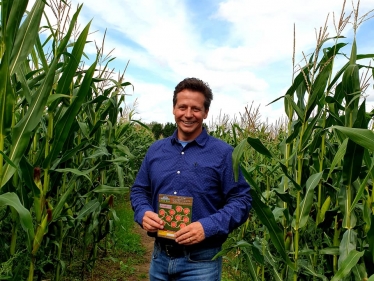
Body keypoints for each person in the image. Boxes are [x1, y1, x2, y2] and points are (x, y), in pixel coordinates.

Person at [130, 77, 252, 280]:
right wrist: (143, 212)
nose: (188, 115)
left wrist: (207, 227)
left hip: (201, 262)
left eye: (195, 109)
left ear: (205, 113)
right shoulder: (155, 150)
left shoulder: (224, 154)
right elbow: (139, 190)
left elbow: (242, 200)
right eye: (182, 107)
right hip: (160, 256)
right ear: (173, 109)